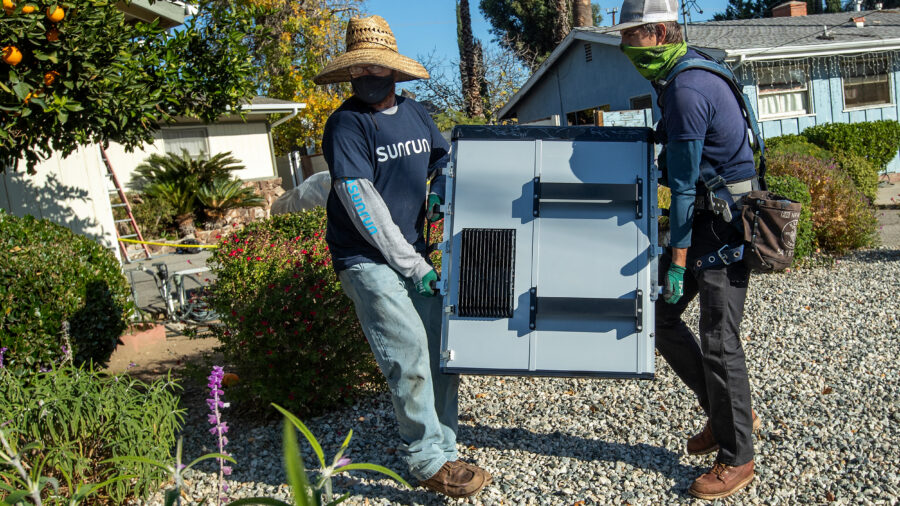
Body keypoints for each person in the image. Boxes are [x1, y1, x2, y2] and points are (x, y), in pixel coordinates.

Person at [312, 14, 491, 499]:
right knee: (408, 352)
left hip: (416, 253)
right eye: (360, 71)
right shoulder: (347, 124)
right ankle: (426, 458)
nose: (368, 79)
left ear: (393, 71)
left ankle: (446, 446)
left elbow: (444, 159)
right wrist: (413, 266)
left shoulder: (417, 113)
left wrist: (441, 190)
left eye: (376, 70)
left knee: (441, 352)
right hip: (366, 259)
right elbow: (361, 203)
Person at [608, 0, 760, 499]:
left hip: (723, 225)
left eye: (631, 37)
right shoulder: (681, 72)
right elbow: (680, 153)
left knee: (719, 341)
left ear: (655, 32)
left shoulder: (688, 87)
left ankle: (738, 458)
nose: (626, 47)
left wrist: (676, 261)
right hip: (707, 216)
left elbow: (685, 186)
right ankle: (723, 417)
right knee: (661, 319)